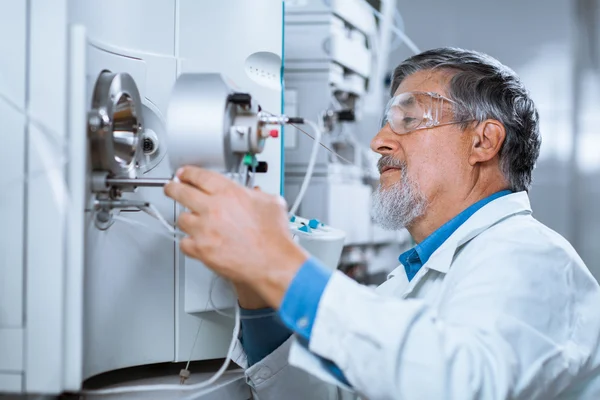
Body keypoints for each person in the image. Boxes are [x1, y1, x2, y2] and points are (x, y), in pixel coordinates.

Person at [164, 48, 600, 399]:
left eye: (408, 120)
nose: (378, 142)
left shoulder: (532, 258)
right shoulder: (410, 278)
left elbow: (463, 385)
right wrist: (256, 292)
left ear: (482, 141)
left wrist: (279, 262)